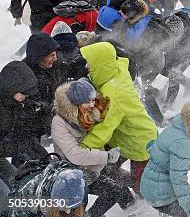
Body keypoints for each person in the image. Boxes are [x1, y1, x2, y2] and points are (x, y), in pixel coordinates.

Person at [79, 42, 158, 194]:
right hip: (127, 136)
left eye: (90, 63)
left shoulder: (112, 93)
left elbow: (103, 129)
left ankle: (148, 208)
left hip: (140, 142)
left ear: (101, 65)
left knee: (141, 186)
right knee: (108, 170)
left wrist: (81, 148)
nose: (86, 66)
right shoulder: (117, 71)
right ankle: (126, 193)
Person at [51, 79, 135, 217]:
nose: (92, 105)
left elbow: (113, 111)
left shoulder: (91, 106)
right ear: (75, 104)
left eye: (93, 100)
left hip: (96, 164)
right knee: (79, 208)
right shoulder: (59, 123)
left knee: (121, 189)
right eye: (88, 102)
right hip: (75, 173)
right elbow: (75, 155)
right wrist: (107, 156)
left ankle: (135, 210)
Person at [0, 61, 49, 167]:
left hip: (9, 148)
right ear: (10, 88)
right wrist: (19, 146)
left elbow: (21, 129)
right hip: (4, 151)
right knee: (12, 182)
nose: (25, 97)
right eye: (23, 93)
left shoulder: (15, 102)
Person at [4, 155, 87, 217]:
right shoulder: (27, 197)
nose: (68, 211)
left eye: (73, 205)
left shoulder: (79, 187)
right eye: (64, 205)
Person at [24, 32, 63, 107]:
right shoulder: (27, 77)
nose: (55, 59)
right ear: (39, 56)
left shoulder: (53, 66)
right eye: (52, 55)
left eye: (55, 54)